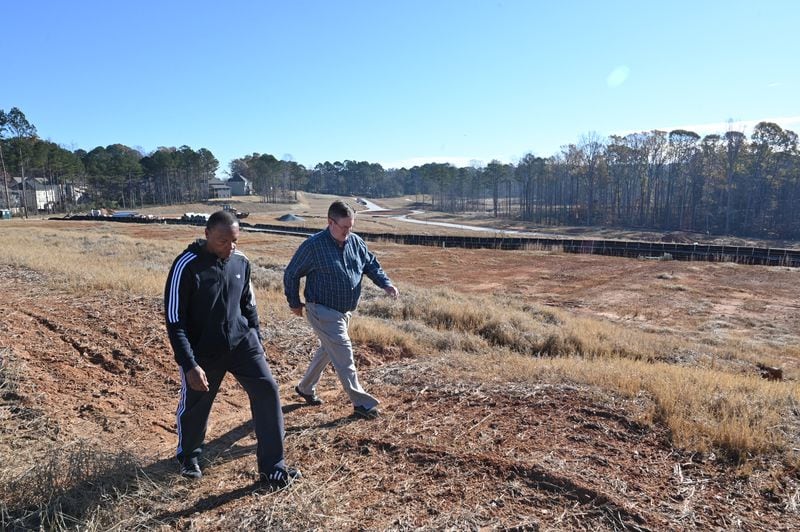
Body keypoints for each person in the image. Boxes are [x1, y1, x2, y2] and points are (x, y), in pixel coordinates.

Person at [164, 210, 300, 487]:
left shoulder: (241, 262)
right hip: (204, 350)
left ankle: (273, 468)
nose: (229, 246)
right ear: (207, 235)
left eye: (234, 240)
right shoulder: (186, 266)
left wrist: (257, 340)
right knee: (197, 404)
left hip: (242, 343)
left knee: (268, 391)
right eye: (222, 241)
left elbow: (248, 304)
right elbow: (174, 320)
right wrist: (189, 364)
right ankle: (188, 455)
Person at [283, 200, 399, 419]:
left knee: (328, 350)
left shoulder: (355, 242)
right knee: (344, 354)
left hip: (344, 312)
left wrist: (385, 283)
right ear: (330, 222)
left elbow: (370, 264)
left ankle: (305, 388)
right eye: (344, 227)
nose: (349, 231)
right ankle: (362, 404)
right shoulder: (313, 246)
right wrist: (294, 302)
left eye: (351, 226)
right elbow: (291, 273)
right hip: (321, 309)